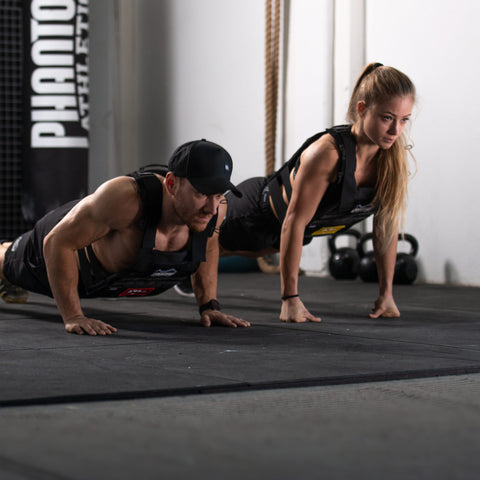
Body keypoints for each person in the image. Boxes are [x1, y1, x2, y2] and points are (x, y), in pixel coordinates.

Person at [219, 62, 416, 323]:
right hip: (252, 212)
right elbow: (294, 221)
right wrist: (290, 299)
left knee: (234, 253)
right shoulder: (328, 153)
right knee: (195, 245)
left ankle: (191, 268)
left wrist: (387, 294)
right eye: (387, 118)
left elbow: (386, 229)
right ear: (362, 109)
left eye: (404, 120)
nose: (396, 130)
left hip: (280, 237)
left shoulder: (391, 162)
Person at [0, 139, 250, 335]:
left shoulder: (215, 210)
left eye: (218, 195)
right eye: (202, 193)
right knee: (7, 263)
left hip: (109, 279)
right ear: (172, 185)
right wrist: (74, 316)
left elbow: (207, 248)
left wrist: (209, 306)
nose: (212, 207)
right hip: (56, 257)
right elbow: (56, 242)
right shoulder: (126, 199)